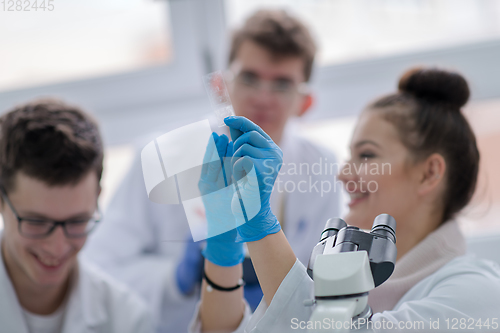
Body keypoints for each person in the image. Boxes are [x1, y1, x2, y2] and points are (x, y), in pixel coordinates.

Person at [83, 9, 342, 333]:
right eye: (249, 77)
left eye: (282, 84)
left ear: (305, 102)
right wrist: (175, 279)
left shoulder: (320, 167)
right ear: (222, 84)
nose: (263, 96)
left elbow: (330, 289)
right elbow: (97, 270)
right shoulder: (160, 156)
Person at [190, 67, 500, 332]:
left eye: (367, 155)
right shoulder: (347, 286)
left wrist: (259, 224)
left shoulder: (477, 293)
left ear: (429, 173)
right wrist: (222, 250)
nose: (342, 175)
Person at [0, 99, 153, 333]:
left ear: (97, 198)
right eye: (36, 222)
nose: (57, 246)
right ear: (2, 201)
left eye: (77, 221)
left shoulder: (127, 319)